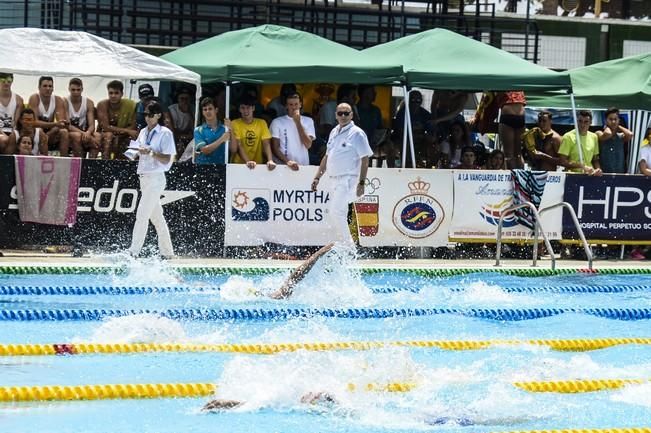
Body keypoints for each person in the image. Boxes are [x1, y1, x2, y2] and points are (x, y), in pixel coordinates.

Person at [312, 102, 373, 246]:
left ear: (352, 115)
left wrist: (362, 182)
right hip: (334, 180)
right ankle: (346, 245)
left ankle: (349, 247)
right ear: (336, 116)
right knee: (339, 213)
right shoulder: (334, 132)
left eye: (347, 113)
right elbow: (327, 157)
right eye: (340, 113)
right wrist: (317, 177)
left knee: (336, 212)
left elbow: (365, 159)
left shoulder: (357, 133)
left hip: (348, 179)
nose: (343, 116)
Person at [127, 102, 176, 260]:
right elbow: (136, 149)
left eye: (150, 115)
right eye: (145, 115)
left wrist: (151, 153)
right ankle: (168, 252)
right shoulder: (142, 131)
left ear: (158, 115)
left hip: (156, 178)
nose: (147, 118)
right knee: (157, 218)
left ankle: (133, 253)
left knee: (142, 214)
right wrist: (133, 153)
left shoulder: (165, 133)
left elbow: (168, 158)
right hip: (144, 177)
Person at [472, 91, 526, 169]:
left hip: (508, 114)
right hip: (521, 115)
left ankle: (514, 178)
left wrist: (477, 117)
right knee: (518, 154)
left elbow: (485, 100)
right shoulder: (518, 82)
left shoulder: (498, 83)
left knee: (509, 155)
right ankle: (521, 178)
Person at [270, 92, 316, 169]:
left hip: (303, 166)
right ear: (286, 106)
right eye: (291, 105)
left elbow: (308, 144)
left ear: (300, 105)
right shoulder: (277, 122)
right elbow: (275, 148)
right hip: (283, 166)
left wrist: (298, 122)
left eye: (296, 104)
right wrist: (288, 162)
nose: (294, 107)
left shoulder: (308, 121)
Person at [230, 95, 276, 170]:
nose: (245, 111)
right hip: (238, 166)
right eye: (243, 108)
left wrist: (270, 160)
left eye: (248, 108)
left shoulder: (262, 123)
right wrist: (248, 161)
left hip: (258, 166)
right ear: (239, 109)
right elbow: (239, 145)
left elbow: (266, 144)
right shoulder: (235, 123)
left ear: (253, 108)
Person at [393, 90, 437, 168]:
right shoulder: (402, 113)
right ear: (408, 101)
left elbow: (430, 130)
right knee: (407, 143)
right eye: (413, 100)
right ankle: (407, 167)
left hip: (421, 139)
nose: (415, 103)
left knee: (432, 145)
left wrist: (428, 136)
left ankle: (429, 168)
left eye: (418, 100)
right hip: (405, 139)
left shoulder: (425, 114)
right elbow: (400, 132)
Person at [28, 76, 70, 156]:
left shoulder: (58, 100)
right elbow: (34, 122)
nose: (48, 88)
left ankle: (64, 161)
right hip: (35, 133)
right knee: (39, 130)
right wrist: (54, 124)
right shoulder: (34, 98)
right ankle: (44, 161)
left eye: (50, 86)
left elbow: (61, 123)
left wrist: (49, 133)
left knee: (64, 132)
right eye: (45, 86)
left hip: (51, 132)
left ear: (53, 88)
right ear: (39, 87)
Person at [97, 80, 138, 159]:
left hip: (124, 136)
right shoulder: (102, 104)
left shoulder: (130, 105)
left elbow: (133, 126)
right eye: (111, 93)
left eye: (116, 93)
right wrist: (127, 131)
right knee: (109, 136)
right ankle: (105, 163)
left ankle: (122, 165)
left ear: (121, 94)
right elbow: (105, 127)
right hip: (105, 134)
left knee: (132, 138)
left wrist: (125, 132)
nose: (113, 96)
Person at [356, 84, 395, 168]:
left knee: (390, 147)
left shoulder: (376, 110)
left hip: (375, 143)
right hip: (359, 143)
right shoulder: (355, 109)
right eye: (372, 92)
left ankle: (392, 172)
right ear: (364, 94)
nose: (375, 94)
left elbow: (379, 127)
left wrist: (385, 132)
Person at [558, 110, 602, 175]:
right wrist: (581, 166)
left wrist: (598, 169)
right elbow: (562, 161)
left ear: (591, 122)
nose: (582, 124)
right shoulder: (568, 137)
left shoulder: (594, 137)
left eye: (586, 122)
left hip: (590, 176)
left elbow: (595, 159)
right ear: (576, 121)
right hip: (572, 176)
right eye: (580, 121)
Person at [66, 78, 100, 158]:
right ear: (69, 89)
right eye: (73, 90)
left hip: (84, 131)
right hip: (70, 132)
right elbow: (68, 125)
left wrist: (88, 133)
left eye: (78, 90)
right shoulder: (65, 101)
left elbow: (92, 125)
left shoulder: (88, 102)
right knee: (77, 136)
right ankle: (80, 163)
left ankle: (91, 164)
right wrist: (84, 133)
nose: (76, 92)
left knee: (98, 136)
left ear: (82, 89)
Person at [193, 97, 233, 164]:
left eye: (210, 109)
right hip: (202, 168)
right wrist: (222, 139)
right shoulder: (198, 130)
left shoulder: (225, 128)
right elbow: (205, 150)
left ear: (216, 110)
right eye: (205, 109)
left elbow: (233, 149)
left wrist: (231, 129)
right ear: (202, 112)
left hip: (222, 167)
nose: (207, 111)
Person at [597, 107, 632, 174]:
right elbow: (608, 134)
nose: (613, 121)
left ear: (619, 120)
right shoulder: (599, 133)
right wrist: (607, 126)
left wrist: (618, 126)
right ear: (605, 120)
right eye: (610, 119)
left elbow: (630, 134)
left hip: (620, 174)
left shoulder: (620, 136)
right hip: (604, 174)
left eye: (615, 119)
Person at [0, 72, 24, 154]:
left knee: (16, 140)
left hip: (12, 131)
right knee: (3, 140)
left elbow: (16, 123)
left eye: (9, 80)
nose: (6, 83)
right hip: (1, 132)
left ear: (12, 81)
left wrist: (12, 135)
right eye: (3, 80)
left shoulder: (18, 100)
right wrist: (3, 134)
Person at [167, 87, 195, 156]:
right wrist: (187, 136)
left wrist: (188, 112)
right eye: (182, 99)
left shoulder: (193, 108)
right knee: (179, 146)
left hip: (188, 136)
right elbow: (174, 132)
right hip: (176, 137)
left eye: (187, 99)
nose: (184, 101)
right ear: (178, 99)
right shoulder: (172, 110)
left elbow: (194, 129)